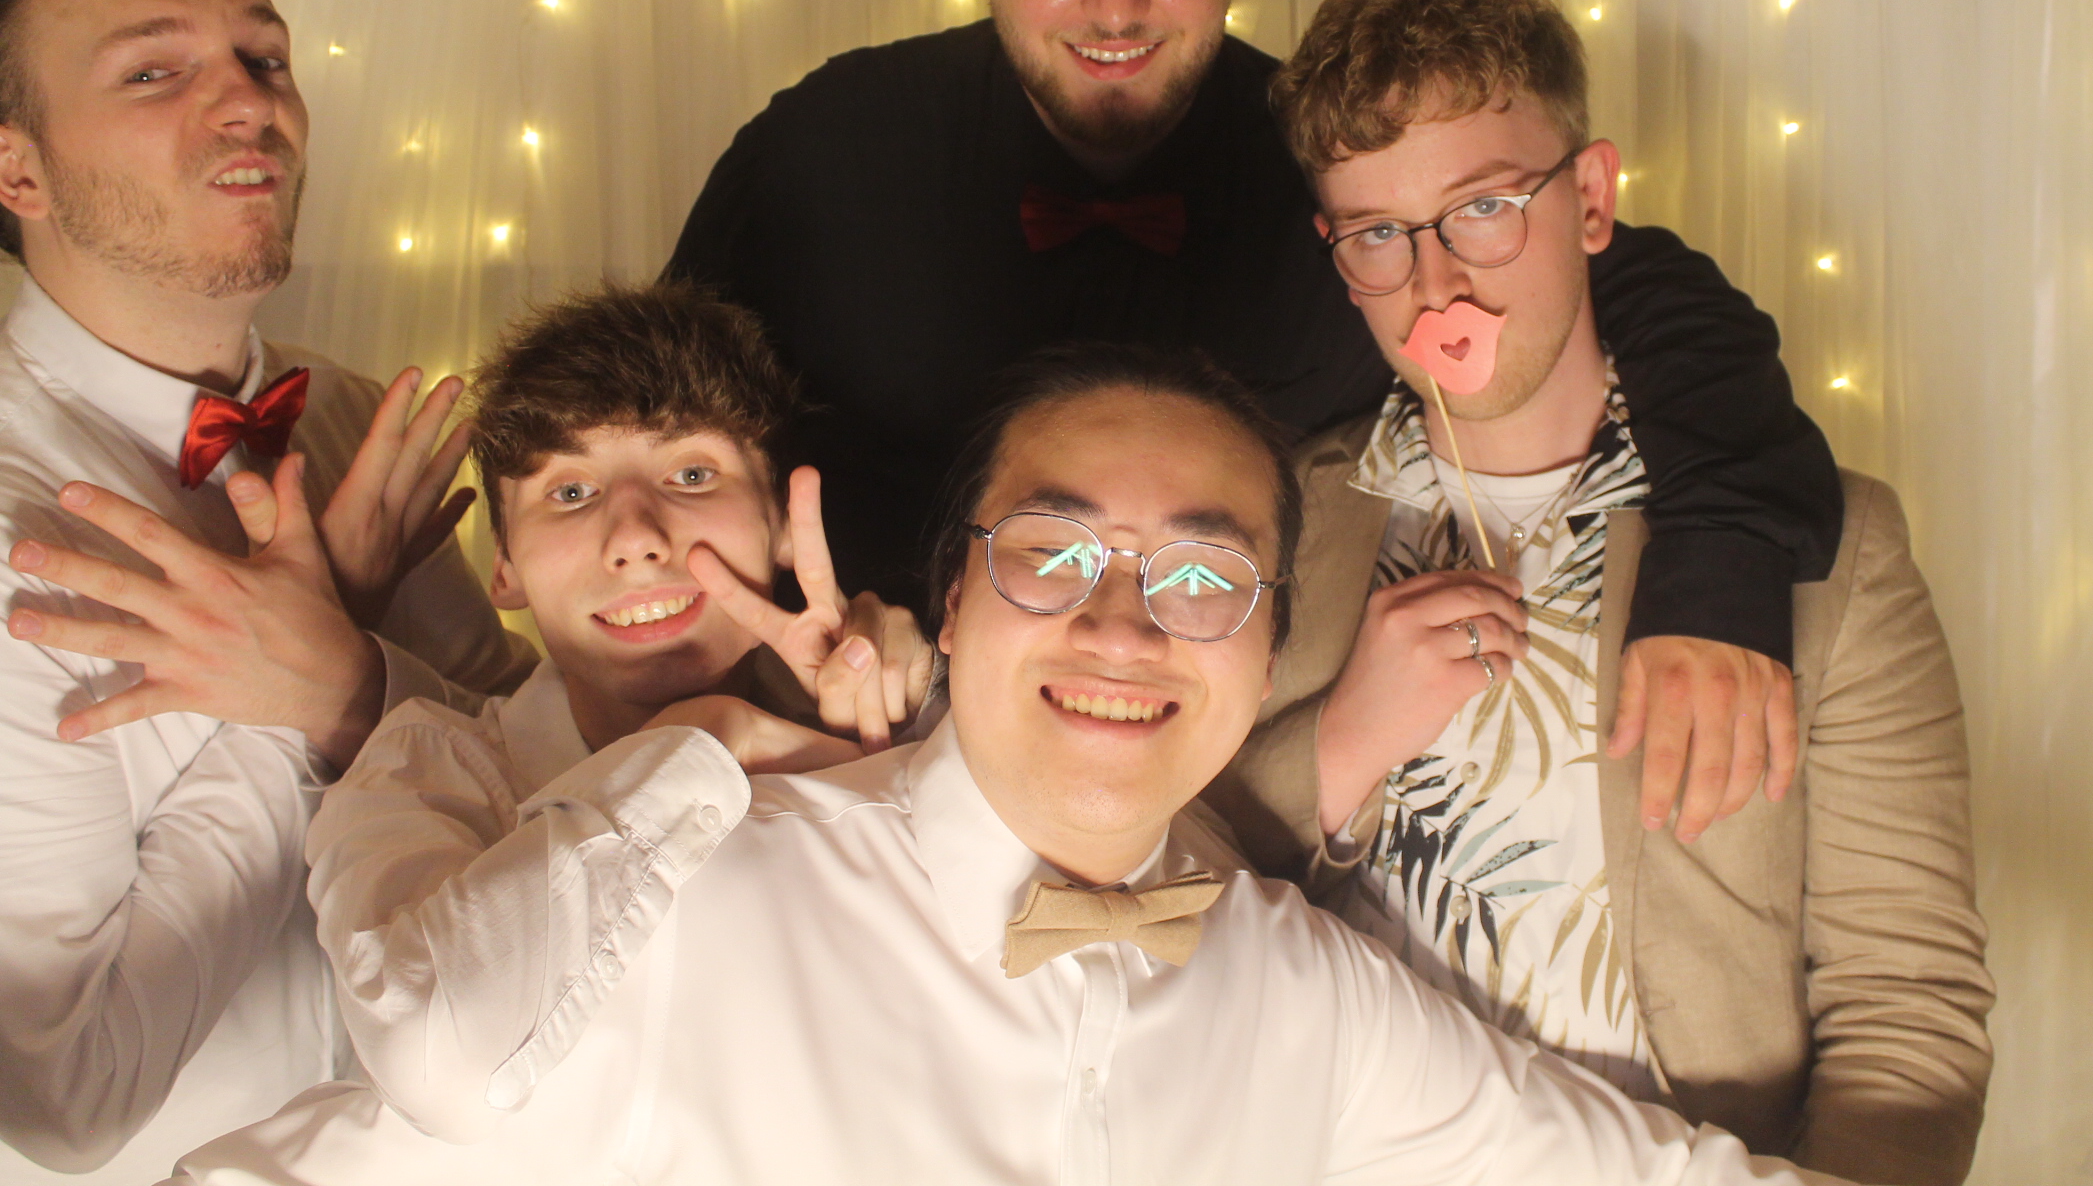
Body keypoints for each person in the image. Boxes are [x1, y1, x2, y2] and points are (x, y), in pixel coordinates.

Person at [167, 345, 1851, 1186]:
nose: (1124, 622)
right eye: (1053, 555)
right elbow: (383, 1102)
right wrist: (707, 741)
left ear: (1267, 645)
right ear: (956, 600)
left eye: (1204, 575)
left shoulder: (1306, 989)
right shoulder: (700, 892)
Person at [665, 0, 1842, 833]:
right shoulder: (822, 149)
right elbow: (637, 431)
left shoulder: (1343, 167)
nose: (1116, 5)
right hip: (838, 777)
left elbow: (1629, 286)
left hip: (1217, 810)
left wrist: (1720, 571)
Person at [1210, 0, 1994, 1185]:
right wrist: (1341, 745)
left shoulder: (1833, 557)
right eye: (1378, 234)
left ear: (1589, 198)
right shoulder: (1268, 518)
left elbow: (1907, 1014)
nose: (1436, 284)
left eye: (1483, 208)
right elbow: (1157, 874)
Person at [0, 0, 534, 1183]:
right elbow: (63, 1098)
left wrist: (352, 688)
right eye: (154, 70)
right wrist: (305, 676)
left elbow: (539, 782)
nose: (250, 102)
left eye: (265, 56)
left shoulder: (346, 415)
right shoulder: (17, 533)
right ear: (18, 172)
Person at [300, 281, 930, 1141]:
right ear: (504, 569)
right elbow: (438, 1061)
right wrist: (703, 742)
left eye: (692, 475)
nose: (635, 537)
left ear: (781, 525)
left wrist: (921, 725)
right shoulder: (420, 775)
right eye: (569, 493)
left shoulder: (906, 731)